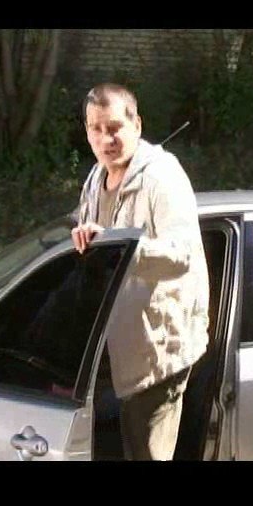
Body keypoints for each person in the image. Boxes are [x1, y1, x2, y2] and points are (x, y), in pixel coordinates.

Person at [71, 83, 209, 460]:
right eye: (96, 129)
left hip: (156, 353)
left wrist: (120, 247)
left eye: (115, 127)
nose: (106, 139)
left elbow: (182, 256)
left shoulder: (162, 177)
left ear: (137, 125)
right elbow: (89, 240)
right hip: (113, 346)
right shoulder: (96, 178)